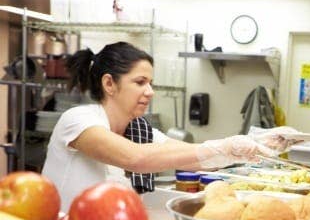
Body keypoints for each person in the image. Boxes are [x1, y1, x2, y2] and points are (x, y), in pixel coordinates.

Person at [42, 42, 296, 211]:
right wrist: (225, 146)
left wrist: (253, 143)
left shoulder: (141, 131)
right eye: (140, 82)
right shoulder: (78, 120)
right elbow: (134, 158)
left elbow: (193, 157)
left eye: (150, 82)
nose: (150, 91)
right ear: (109, 84)